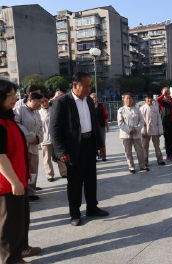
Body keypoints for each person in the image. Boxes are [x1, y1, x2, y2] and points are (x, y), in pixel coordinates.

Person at [50, 72, 109, 226]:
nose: (89, 89)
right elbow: (54, 129)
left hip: (89, 144)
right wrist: (61, 151)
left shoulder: (89, 100)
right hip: (73, 148)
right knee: (75, 182)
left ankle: (92, 208)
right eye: (86, 86)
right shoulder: (62, 102)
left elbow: (94, 124)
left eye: (90, 85)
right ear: (75, 85)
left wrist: (101, 144)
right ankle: (75, 213)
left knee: (91, 179)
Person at [0, 80, 41, 264]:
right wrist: (14, 181)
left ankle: (22, 248)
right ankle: (11, 260)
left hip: (19, 180)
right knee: (9, 226)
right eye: (9, 95)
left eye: (14, 94)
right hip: (7, 184)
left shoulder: (9, 119)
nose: (15, 98)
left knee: (22, 220)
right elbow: (0, 157)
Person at [14, 93, 44, 201]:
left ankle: (31, 192)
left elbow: (41, 128)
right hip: (24, 146)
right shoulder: (20, 110)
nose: (40, 104)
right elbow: (16, 125)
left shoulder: (37, 113)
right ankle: (22, 191)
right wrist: (31, 136)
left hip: (34, 147)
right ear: (30, 100)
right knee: (22, 170)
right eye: (38, 102)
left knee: (33, 171)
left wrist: (39, 138)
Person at [117, 93, 149, 173]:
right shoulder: (121, 110)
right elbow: (120, 123)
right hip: (126, 134)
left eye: (130, 98)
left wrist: (136, 128)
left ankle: (142, 165)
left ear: (133, 99)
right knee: (128, 151)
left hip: (136, 133)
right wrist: (130, 130)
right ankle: (131, 166)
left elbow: (142, 121)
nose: (129, 100)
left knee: (140, 150)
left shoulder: (137, 109)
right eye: (127, 98)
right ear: (124, 100)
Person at [39, 94, 67, 182]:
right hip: (45, 139)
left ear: (49, 100)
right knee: (47, 158)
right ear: (40, 103)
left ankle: (64, 172)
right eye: (42, 102)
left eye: (46, 101)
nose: (44, 103)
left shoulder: (54, 110)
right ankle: (49, 175)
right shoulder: (38, 113)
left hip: (56, 138)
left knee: (60, 156)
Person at [140, 93, 165, 166]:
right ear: (145, 99)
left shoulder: (156, 108)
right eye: (147, 98)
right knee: (144, 146)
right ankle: (145, 161)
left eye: (150, 98)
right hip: (145, 131)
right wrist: (142, 131)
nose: (149, 99)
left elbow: (159, 120)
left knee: (157, 146)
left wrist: (160, 131)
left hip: (155, 130)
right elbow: (141, 121)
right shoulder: (142, 108)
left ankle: (160, 160)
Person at [158, 87, 172, 162]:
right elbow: (158, 100)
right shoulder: (162, 102)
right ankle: (169, 155)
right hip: (167, 124)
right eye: (165, 93)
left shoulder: (171, 101)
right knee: (168, 140)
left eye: (168, 92)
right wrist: (163, 94)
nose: (167, 94)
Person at [90, 93, 109, 162]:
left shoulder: (101, 106)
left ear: (97, 98)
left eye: (95, 97)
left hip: (101, 126)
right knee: (93, 142)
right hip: (92, 128)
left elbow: (105, 116)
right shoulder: (88, 107)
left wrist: (107, 125)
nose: (94, 99)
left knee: (102, 141)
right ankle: (94, 156)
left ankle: (103, 156)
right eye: (92, 98)